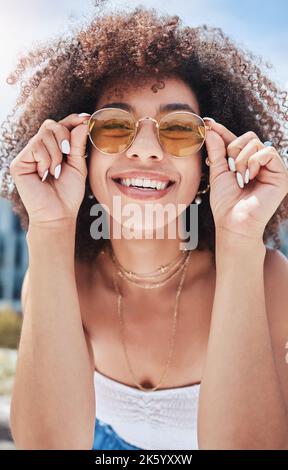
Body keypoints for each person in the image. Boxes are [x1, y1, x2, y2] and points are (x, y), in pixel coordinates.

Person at [1, 6, 288, 450]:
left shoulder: (269, 279)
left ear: (208, 160)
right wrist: (51, 229)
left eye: (178, 130)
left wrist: (240, 242)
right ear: (79, 150)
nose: (147, 150)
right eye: (115, 126)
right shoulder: (56, 277)